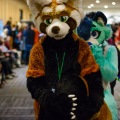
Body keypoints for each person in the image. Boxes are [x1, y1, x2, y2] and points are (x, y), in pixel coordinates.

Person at [26, 0, 111, 120]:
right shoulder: (38, 49)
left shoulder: (81, 46)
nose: (56, 27)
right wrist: (49, 99)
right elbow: (34, 81)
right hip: (49, 108)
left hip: (78, 105)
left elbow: (92, 77)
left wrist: (90, 106)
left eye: (63, 19)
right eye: (48, 21)